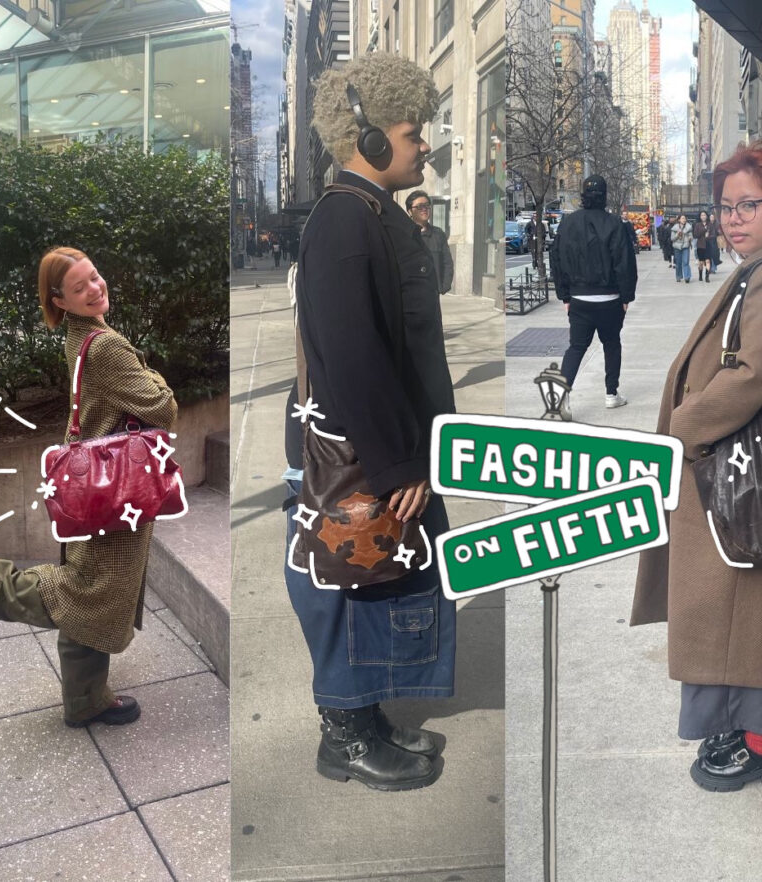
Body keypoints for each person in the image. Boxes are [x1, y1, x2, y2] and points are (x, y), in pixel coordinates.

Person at [277, 51, 457, 791]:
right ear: (372, 140)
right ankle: (344, 731)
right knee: (349, 572)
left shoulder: (368, 213)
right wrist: (396, 464)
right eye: (414, 134)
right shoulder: (348, 220)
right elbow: (353, 356)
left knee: (378, 573)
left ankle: (365, 715)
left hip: (377, 445)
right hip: (356, 455)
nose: (425, 148)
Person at [632, 141, 762, 792]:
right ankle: (754, 730)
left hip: (741, 478)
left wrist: (682, 429)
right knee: (747, 615)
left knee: (745, 614)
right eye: (726, 207)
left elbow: (755, 375)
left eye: (749, 204)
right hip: (743, 476)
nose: (732, 218)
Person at [0, 247, 177, 730]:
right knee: (92, 590)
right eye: (80, 287)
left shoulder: (79, 338)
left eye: (94, 277)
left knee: (94, 589)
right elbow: (163, 407)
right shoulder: (106, 346)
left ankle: (85, 699)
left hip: (91, 482)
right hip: (114, 489)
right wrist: (153, 373)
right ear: (61, 300)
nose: (95, 288)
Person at [553, 175, 637, 411]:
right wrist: (626, 296)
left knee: (576, 347)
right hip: (610, 298)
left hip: (579, 298)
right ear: (604, 195)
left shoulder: (568, 223)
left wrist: (565, 296)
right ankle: (611, 393)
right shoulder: (614, 224)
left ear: (583, 195)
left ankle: (561, 396)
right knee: (611, 344)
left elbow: (556, 259)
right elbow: (625, 262)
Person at [407, 190, 455, 295]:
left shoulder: (438, 234)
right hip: (410, 294)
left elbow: (447, 262)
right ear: (410, 211)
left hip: (433, 292)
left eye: (427, 205)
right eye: (419, 206)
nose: (424, 209)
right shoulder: (403, 234)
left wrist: (444, 286)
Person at [671, 214, 694, 282]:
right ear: (679, 220)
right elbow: (672, 239)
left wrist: (690, 238)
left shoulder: (689, 227)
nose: (684, 220)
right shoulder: (674, 228)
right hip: (677, 247)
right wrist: (677, 234)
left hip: (685, 246)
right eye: (682, 218)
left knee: (686, 262)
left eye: (685, 218)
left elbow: (691, 236)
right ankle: (678, 276)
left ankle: (687, 277)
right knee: (678, 263)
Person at [693, 210, 714, 282]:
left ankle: (707, 276)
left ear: (707, 216)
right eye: (702, 215)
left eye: (704, 215)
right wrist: (704, 230)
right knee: (701, 262)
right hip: (700, 246)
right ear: (700, 216)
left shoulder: (710, 224)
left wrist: (708, 237)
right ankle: (700, 275)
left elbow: (713, 235)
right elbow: (695, 235)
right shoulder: (697, 225)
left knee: (708, 261)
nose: (703, 216)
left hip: (708, 245)